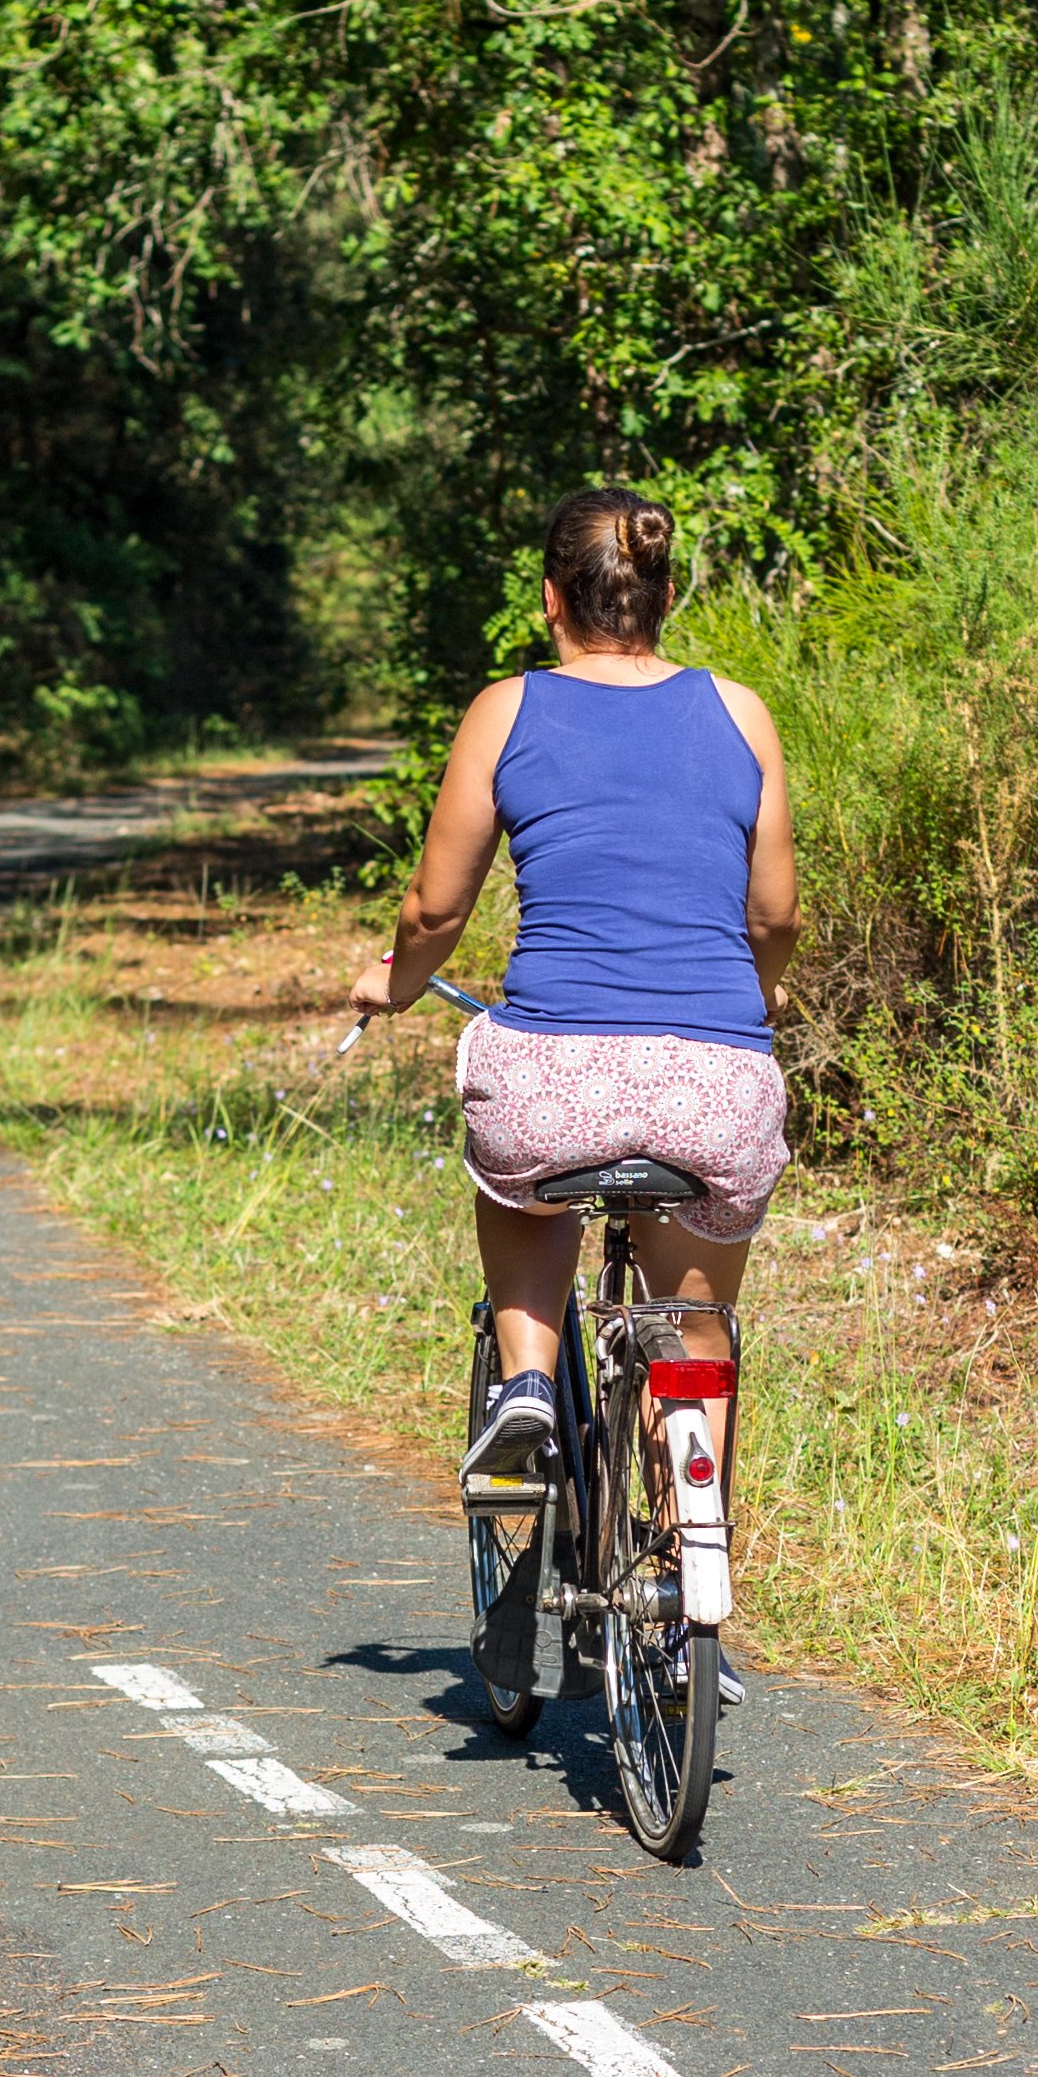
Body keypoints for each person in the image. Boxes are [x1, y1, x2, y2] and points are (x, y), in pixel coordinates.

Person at [346, 486, 799, 1498]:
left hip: (556, 1079)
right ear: (667, 593)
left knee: (516, 1180)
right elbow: (775, 921)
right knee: (692, 1346)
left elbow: (432, 912)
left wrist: (396, 983)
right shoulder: (741, 713)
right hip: (716, 1085)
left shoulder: (506, 710)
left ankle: (526, 1385)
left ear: (550, 600)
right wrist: (745, 1009)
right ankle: (691, 1578)